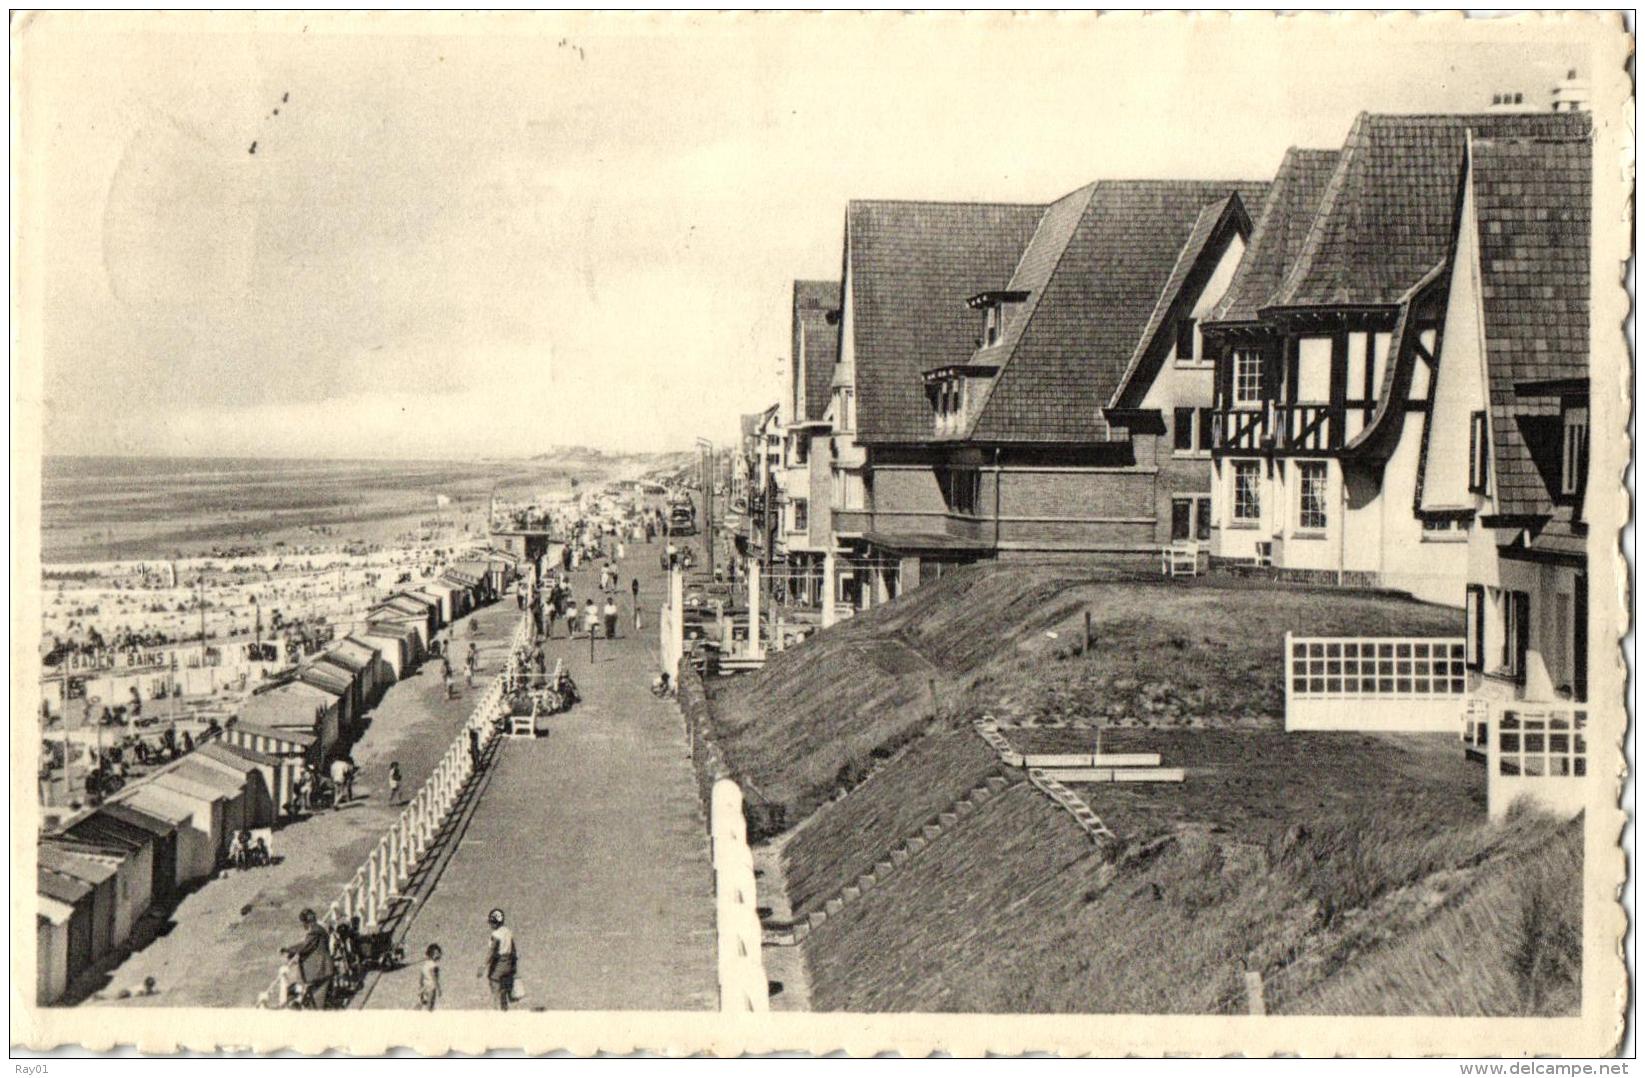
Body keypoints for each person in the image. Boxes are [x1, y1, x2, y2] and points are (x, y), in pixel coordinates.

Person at [291, 908, 335, 1008]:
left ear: (306, 922)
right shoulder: (319, 929)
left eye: (303, 923)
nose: (303, 925)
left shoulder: (314, 932)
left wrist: (289, 950)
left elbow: (305, 946)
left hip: (320, 970)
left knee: (318, 1002)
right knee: (319, 1000)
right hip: (324, 968)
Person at [478, 909, 517, 1011]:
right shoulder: (508, 932)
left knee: (495, 985)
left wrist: (483, 966)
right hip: (509, 962)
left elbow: (492, 952)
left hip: (499, 963)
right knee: (503, 989)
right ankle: (504, 1010)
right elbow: (513, 950)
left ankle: (497, 1011)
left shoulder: (496, 935)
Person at [419, 944, 443, 1012]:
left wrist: (421, 988)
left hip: (424, 987)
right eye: (437, 953)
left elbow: (421, 978)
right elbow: (434, 978)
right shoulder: (434, 966)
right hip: (431, 987)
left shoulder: (425, 964)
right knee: (430, 1007)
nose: (439, 955)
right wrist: (439, 989)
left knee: (425, 1005)